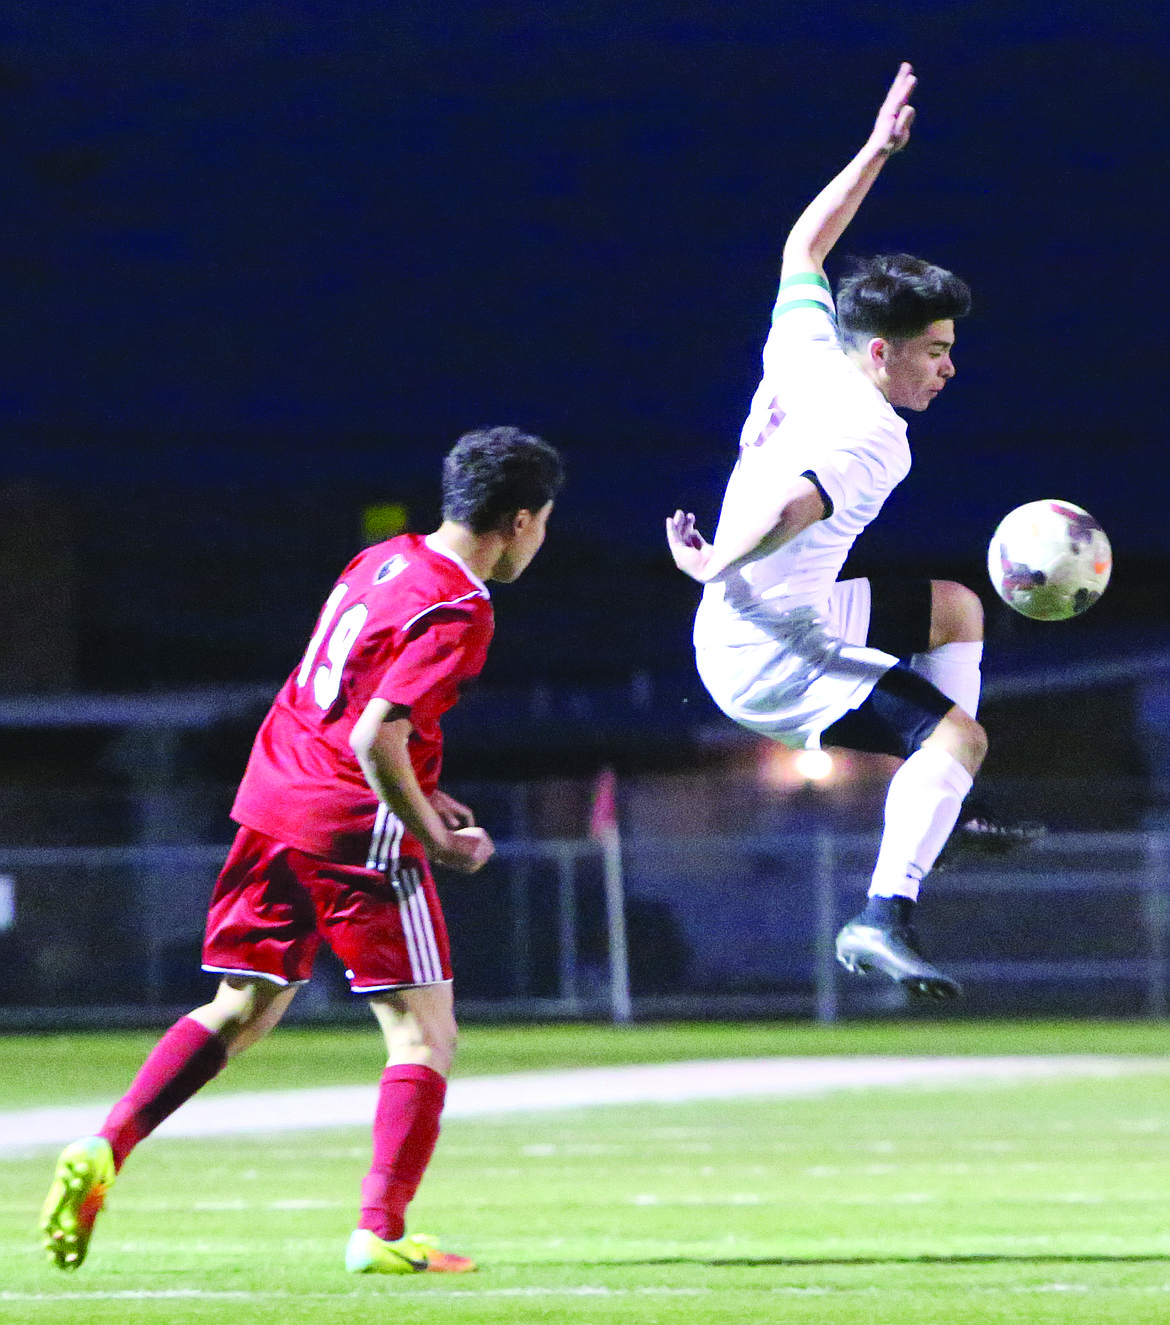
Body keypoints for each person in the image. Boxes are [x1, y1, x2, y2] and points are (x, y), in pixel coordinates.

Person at [41, 426, 564, 1274]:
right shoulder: (462, 605)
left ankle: (108, 1145)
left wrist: (423, 786)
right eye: (542, 524)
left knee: (240, 1005)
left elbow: (345, 701)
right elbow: (375, 732)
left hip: (273, 800)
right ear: (516, 519)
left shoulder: (382, 560)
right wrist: (434, 835)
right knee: (424, 1036)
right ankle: (380, 1231)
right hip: (352, 827)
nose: (539, 540)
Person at [666, 63, 1014, 1000]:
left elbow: (803, 249)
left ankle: (944, 787)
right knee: (956, 738)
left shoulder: (806, 349)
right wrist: (715, 559)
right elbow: (795, 510)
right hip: (773, 652)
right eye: (934, 351)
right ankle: (881, 916)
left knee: (953, 608)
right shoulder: (874, 435)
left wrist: (873, 153)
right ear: (880, 352)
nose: (947, 369)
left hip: (769, 607)